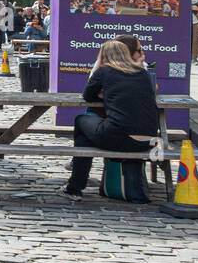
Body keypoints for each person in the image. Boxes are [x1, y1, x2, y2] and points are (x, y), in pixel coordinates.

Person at [62, 39, 159, 201]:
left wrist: (104, 93)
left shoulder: (105, 71)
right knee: (87, 134)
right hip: (148, 140)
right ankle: (74, 187)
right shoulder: (142, 73)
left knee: (81, 121)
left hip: (120, 137)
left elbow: (88, 95)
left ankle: (75, 187)